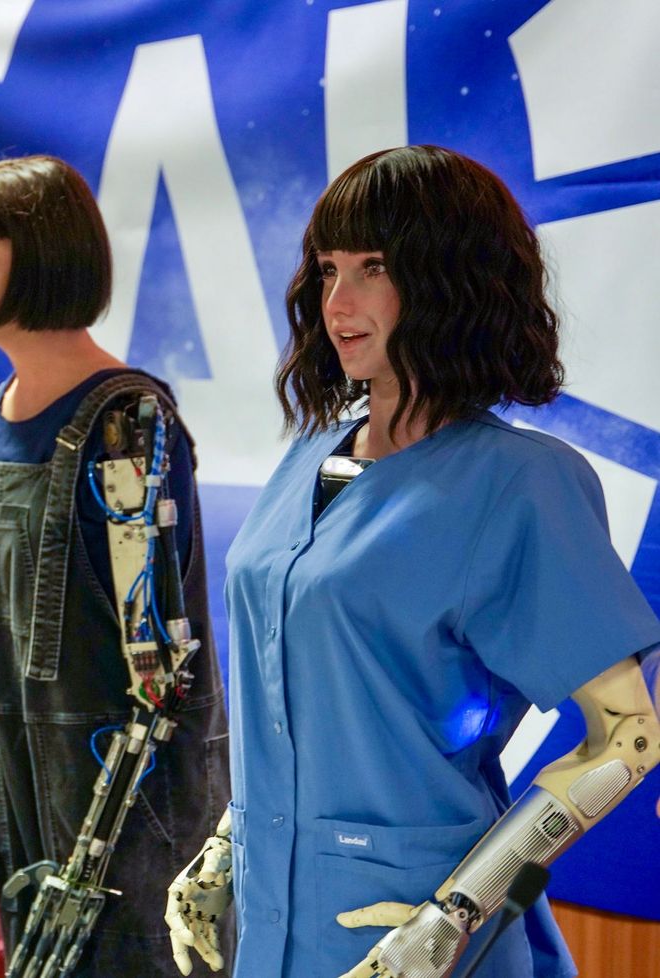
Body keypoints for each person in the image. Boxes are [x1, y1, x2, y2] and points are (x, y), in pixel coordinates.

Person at [166, 145, 660, 978]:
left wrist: (453, 912)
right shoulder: (310, 460)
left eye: (374, 268)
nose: (338, 302)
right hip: (273, 910)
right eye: (327, 270)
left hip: (415, 930)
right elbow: (294, 705)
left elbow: (630, 739)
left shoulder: (517, 484)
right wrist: (223, 847)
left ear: (449, 279)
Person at [0, 155, 231, 977]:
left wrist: (111, 838)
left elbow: (160, 667)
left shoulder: (126, 420)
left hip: (125, 794)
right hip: (20, 766)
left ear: (46, 259)